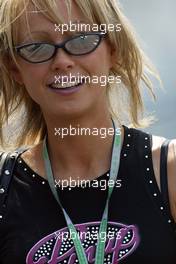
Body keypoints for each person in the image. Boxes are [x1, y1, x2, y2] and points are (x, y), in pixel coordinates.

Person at [0, 0, 175, 263]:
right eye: (36, 47)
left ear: (113, 48)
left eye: (81, 39)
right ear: (15, 68)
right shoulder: (5, 187)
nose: (62, 61)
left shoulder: (168, 171)